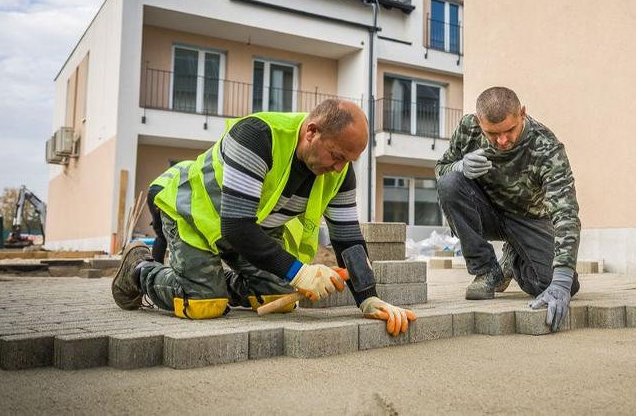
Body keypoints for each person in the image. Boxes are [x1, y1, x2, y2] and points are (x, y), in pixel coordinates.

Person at [111, 100, 416, 336]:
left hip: (253, 229)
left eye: (348, 161)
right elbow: (236, 226)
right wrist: (300, 272)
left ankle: (214, 282)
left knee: (278, 296)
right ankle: (139, 269)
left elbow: (348, 238)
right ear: (311, 132)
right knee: (203, 304)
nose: (340, 168)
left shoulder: (339, 173)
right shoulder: (257, 136)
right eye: (337, 156)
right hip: (197, 214)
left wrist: (369, 299)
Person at [436, 86, 582, 332]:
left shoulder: (546, 147)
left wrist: (562, 279)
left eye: (509, 130)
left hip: (529, 219)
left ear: (522, 114)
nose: (502, 141)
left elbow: (566, 212)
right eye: (492, 133)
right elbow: (441, 169)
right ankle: (486, 271)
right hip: (487, 212)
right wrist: (458, 166)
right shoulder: (467, 129)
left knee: (559, 285)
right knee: (449, 184)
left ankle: (513, 260)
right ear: (479, 121)